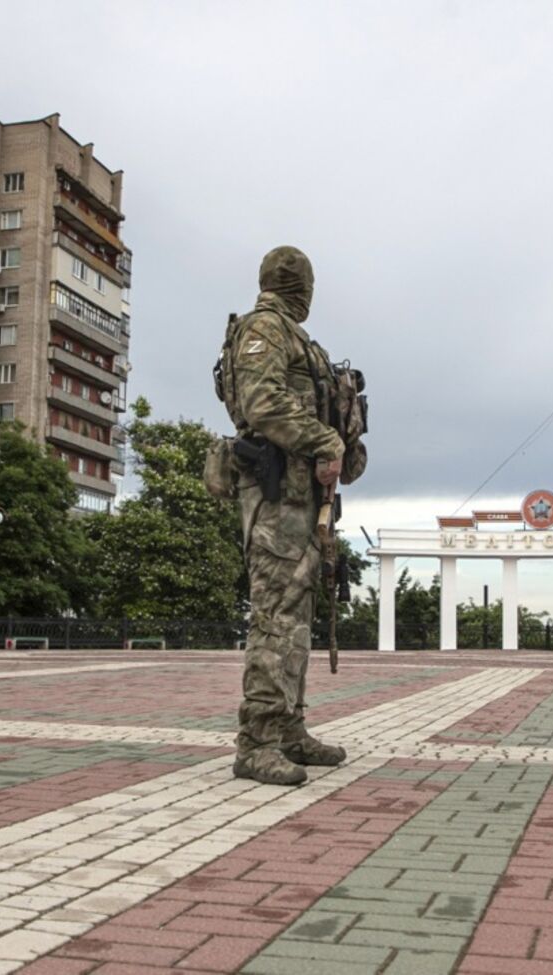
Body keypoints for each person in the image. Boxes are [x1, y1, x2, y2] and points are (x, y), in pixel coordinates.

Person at [219, 246, 365, 786]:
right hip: (276, 498)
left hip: (303, 502)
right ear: (301, 286)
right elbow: (260, 402)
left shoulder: (299, 339)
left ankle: (287, 730)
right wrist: (325, 437)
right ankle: (256, 742)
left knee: (295, 622)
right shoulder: (265, 328)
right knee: (275, 619)